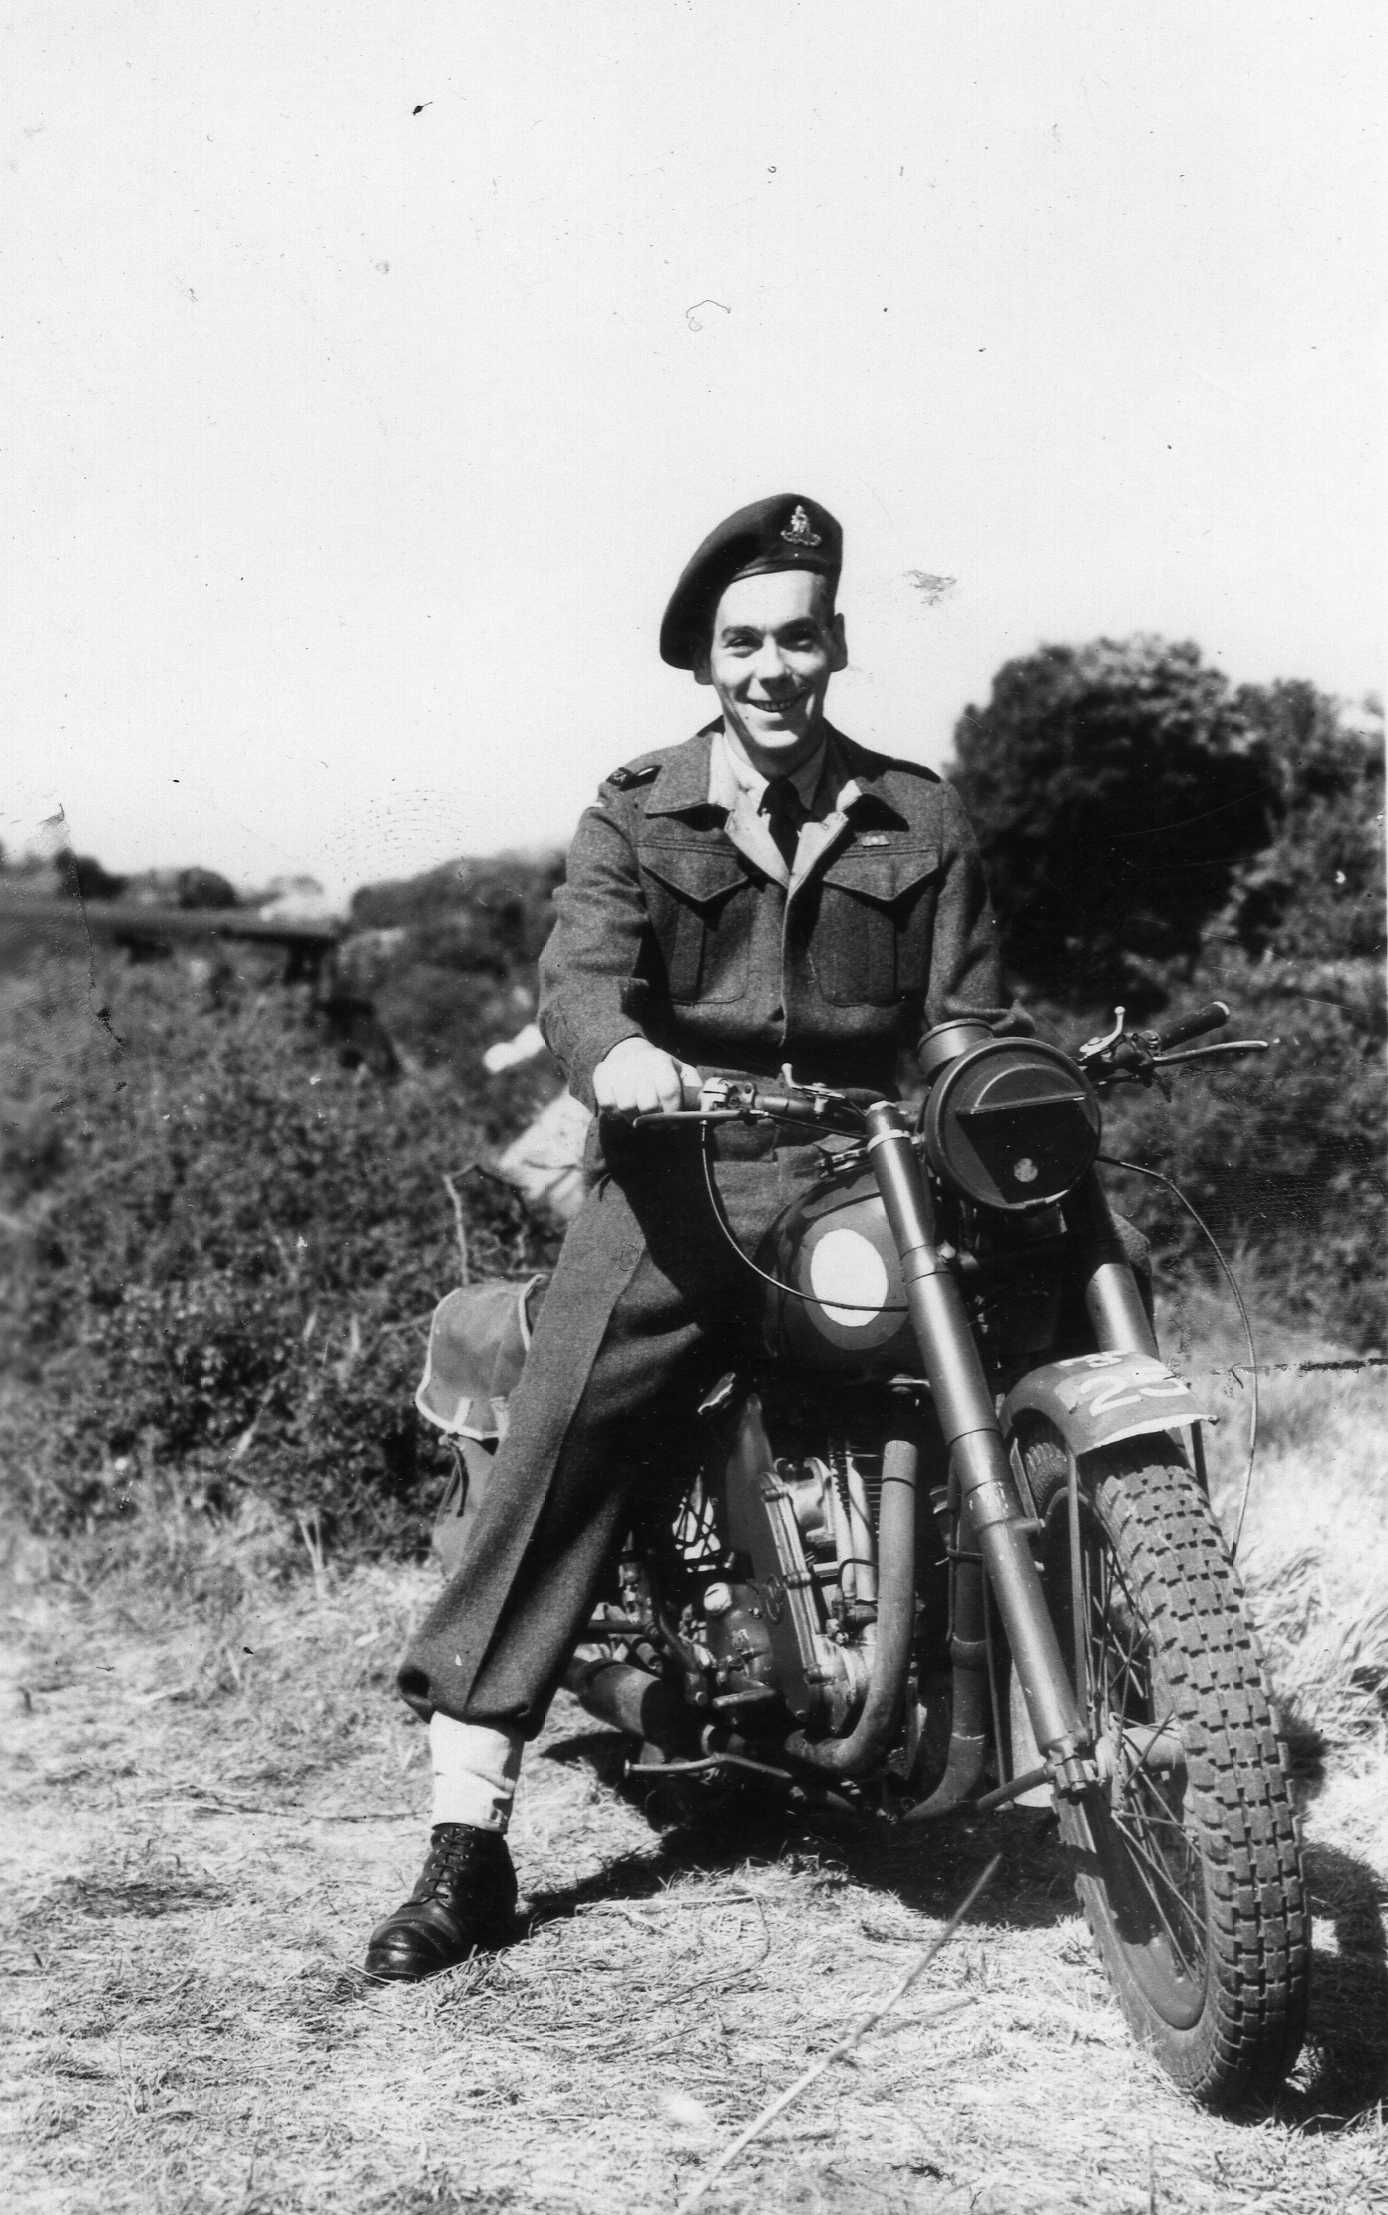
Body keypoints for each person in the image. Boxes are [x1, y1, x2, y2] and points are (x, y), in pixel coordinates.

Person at [363, 494, 1017, 1980]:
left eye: (799, 636)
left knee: (1029, 1313)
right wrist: (618, 1060)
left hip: (861, 1180)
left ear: (836, 643)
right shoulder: (638, 809)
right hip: (680, 1181)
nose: (774, 668)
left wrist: (988, 1075)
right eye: (744, 644)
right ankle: (466, 1836)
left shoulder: (922, 816)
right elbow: (579, 979)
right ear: (709, 663)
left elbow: (965, 1013)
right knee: (566, 1433)